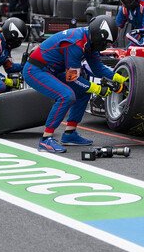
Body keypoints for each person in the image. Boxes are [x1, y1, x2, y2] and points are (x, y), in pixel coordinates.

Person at [23, 15, 127, 153]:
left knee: (83, 92)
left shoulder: (89, 40)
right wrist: (97, 89)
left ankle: (69, 134)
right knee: (66, 96)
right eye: (104, 43)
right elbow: (72, 78)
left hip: (53, 70)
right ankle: (46, 139)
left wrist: (121, 79)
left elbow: (97, 68)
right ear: (98, 36)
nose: (104, 47)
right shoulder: (76, 43)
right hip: (35, 70)